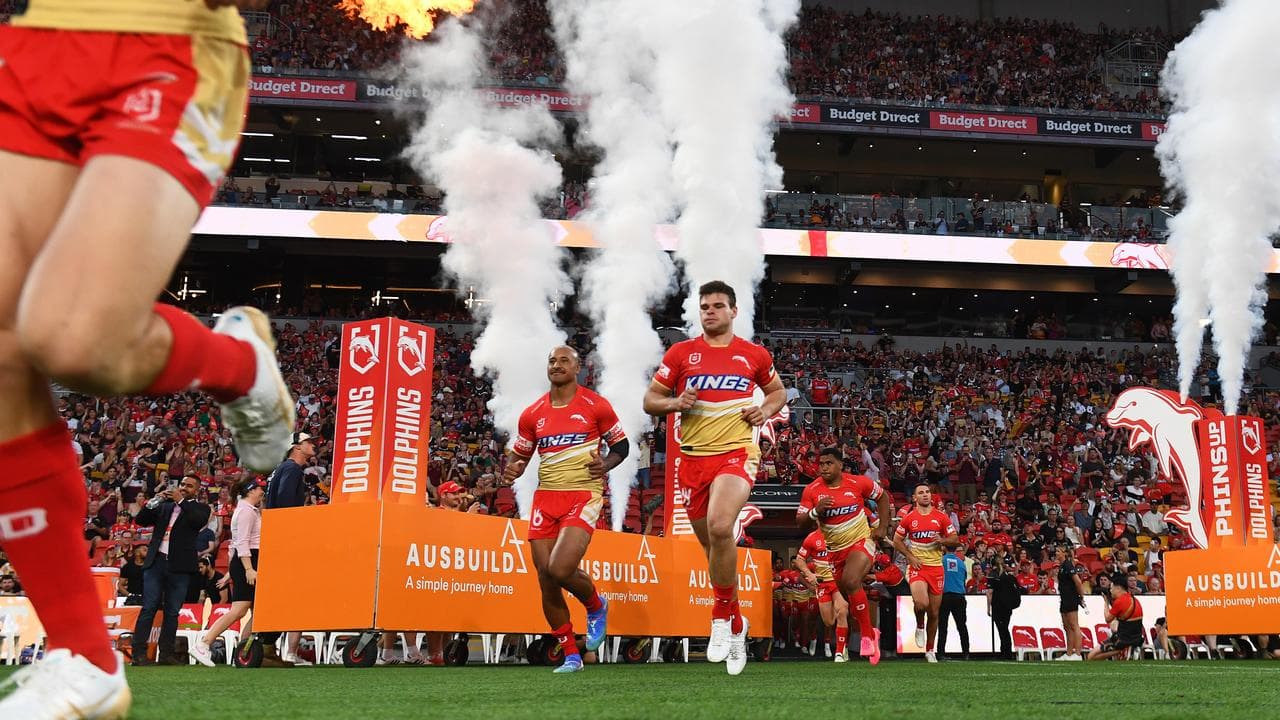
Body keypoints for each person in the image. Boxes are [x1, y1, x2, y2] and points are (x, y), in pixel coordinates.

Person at [0, 0, 289, 714]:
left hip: (166, 41)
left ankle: (237, 364)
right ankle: (85, 656)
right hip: (37, 41)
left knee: (73, 341)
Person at [644, 281, 785, 676]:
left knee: (722, 526)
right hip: (693, 462)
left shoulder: (752, 354)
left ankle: (720, 616)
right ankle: (737, 619)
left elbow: (778, 392)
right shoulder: (681, 354)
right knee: (712, 547)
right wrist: (675, 402)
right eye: (704, 306)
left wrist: (765, 410)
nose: (710, 312)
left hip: (737, 453)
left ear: (733, 311)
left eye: (718, 306)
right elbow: (649, 400)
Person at [504, 346, 629, 674]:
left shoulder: (595, 405)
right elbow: (520, 455)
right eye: (551, 361)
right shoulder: (532, 413)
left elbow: (622, 447)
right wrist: (513, 468)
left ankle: (596, 605)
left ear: (577, 368)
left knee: (559, 569)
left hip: (583, 495)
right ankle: (572, 655)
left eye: (564, 361)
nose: (556, 365)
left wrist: (606, 464)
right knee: (546, 578)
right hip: (546, 498)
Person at [796, 446, 890, 665]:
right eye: (821, 464)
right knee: (843, 597)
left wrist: (883, 527)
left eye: (829, 463)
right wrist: (815, 511)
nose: (824, 467)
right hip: (835, 553)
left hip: (861, 541)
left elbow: (883, 497)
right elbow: (800, 522)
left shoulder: (858, 482)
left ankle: (866, 636)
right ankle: (869, 633)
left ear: (840, 465)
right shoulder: (812, 490)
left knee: (850, 581)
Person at [191, 478, 284, 667]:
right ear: (251, 491)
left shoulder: (249, 510)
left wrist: (231, 573)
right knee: (240, 610)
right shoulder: (245, 512)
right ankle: (204, 644)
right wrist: (248, 569)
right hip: (248, 562)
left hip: (246, 562)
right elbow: (241, 542)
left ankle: (244, 653)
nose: (262, 492)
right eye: (259, 489)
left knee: (257, 611)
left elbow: (236, 545)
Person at [130, 474, 210, 666]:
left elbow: (196, 521)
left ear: (196, 490)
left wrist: (180, 501)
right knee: (149, 607)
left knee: (173, 611)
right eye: (182, 484)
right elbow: (141, 520)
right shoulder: (164, 506)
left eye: (189, 486)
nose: (184, 487)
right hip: (156, 562)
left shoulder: (201, 508)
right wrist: (155, 500)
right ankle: (138, 654)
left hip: (180, 566)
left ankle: (166, 653)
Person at [262, 432, 317, 665]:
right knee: (292, 592)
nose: (312, 445)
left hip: (275, 536)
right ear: (296, 447)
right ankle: (270, 647)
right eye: (308, 442)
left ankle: (265, 647)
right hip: (285, 537)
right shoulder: (293, 469)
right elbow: (285, 502)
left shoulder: (281, 469)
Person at [893, 484, 959, 662]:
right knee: (921, 603)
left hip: (936, 567)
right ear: (914, 498)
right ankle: (919, 625)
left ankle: (930, 649)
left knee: (935, 613)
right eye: (921, 493)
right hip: (917, 566)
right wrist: (909, 556)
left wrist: (943, 540)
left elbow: (955, 539)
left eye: (927, 492)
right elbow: (896, 540)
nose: (925, 495)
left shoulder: (941, 517)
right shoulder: (909, 518)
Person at [794, 529, 849, 662]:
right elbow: (799, 560)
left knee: (843, 611)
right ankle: (840, 632)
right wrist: (809, 574)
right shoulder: (812, 537)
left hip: (837, 581)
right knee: (828, 621)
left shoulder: (841, 532)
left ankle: (840, 652)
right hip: (823, 585)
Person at [1088, 582, 1145, 661]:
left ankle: (1123, 650)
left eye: (1112, 588)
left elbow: (1108, 619)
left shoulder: (1120, 601)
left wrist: (1106, 603)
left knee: (1091, 656)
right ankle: (1126, 649)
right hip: (1137, 638)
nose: (1110, 591)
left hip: (1122, 640)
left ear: (1118, 588)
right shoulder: (1134, 599)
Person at [986, 554, 1021, 660]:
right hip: (1008, 606)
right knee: (1004, 628)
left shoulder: (993, 575)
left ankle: (1005, 652)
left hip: (998, 605)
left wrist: (988, 607)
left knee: (1002, 629)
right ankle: (1006, 651)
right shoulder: (1007, 575)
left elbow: (989, 593)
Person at [1055, 544, 1086, 661]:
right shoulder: (1062, 566)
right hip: (1064, 598)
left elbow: (1077, 582)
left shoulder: (1068, 565)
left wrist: (1081, 596)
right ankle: (1069, 653)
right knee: (1067, 626)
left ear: (1064, 553)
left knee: (1074, 625)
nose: (1056, 553)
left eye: (1058, 551)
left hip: (1071, 598)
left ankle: (1077, 653)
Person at [937, 547, 969, 660]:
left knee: (942, 626)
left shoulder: (941, 560)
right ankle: (966, 653)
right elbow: (964, 579)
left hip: (945, 596)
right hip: (959, 596)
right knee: (962, 626)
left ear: (945, 548)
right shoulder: (961, 563)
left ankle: (941, 653)